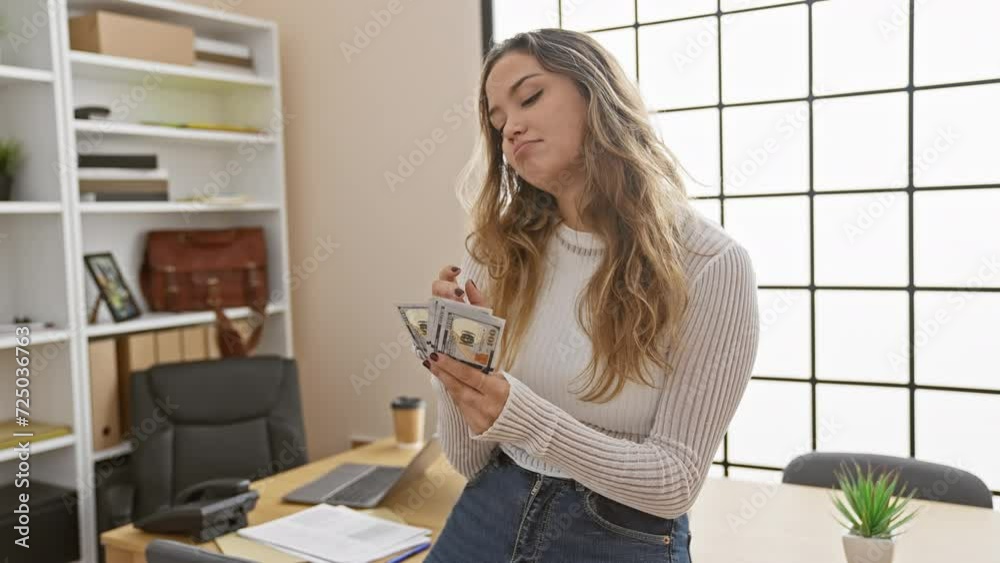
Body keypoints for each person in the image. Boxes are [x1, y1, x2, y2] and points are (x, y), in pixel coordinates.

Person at [422, 28, 759, 562]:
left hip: (620, 534)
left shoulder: (710, 265)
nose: (511, 127)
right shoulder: (495, 252)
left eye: (529, 97)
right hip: (487, 515)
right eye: (497, 119)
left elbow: (674, 483)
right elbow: (468, 460)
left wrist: (524, 415)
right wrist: (456, 367)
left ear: (596, 93)